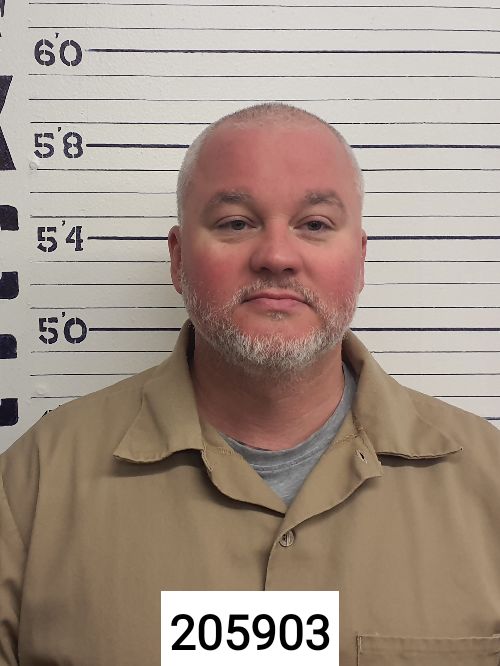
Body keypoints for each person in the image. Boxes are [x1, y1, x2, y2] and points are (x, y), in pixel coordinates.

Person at [1, 103, 499, 665]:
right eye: (236, 223)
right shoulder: (32, 485)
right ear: (178, 260)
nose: (276, 257)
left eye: (315, 224)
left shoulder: (489, 481)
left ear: (360, 261)